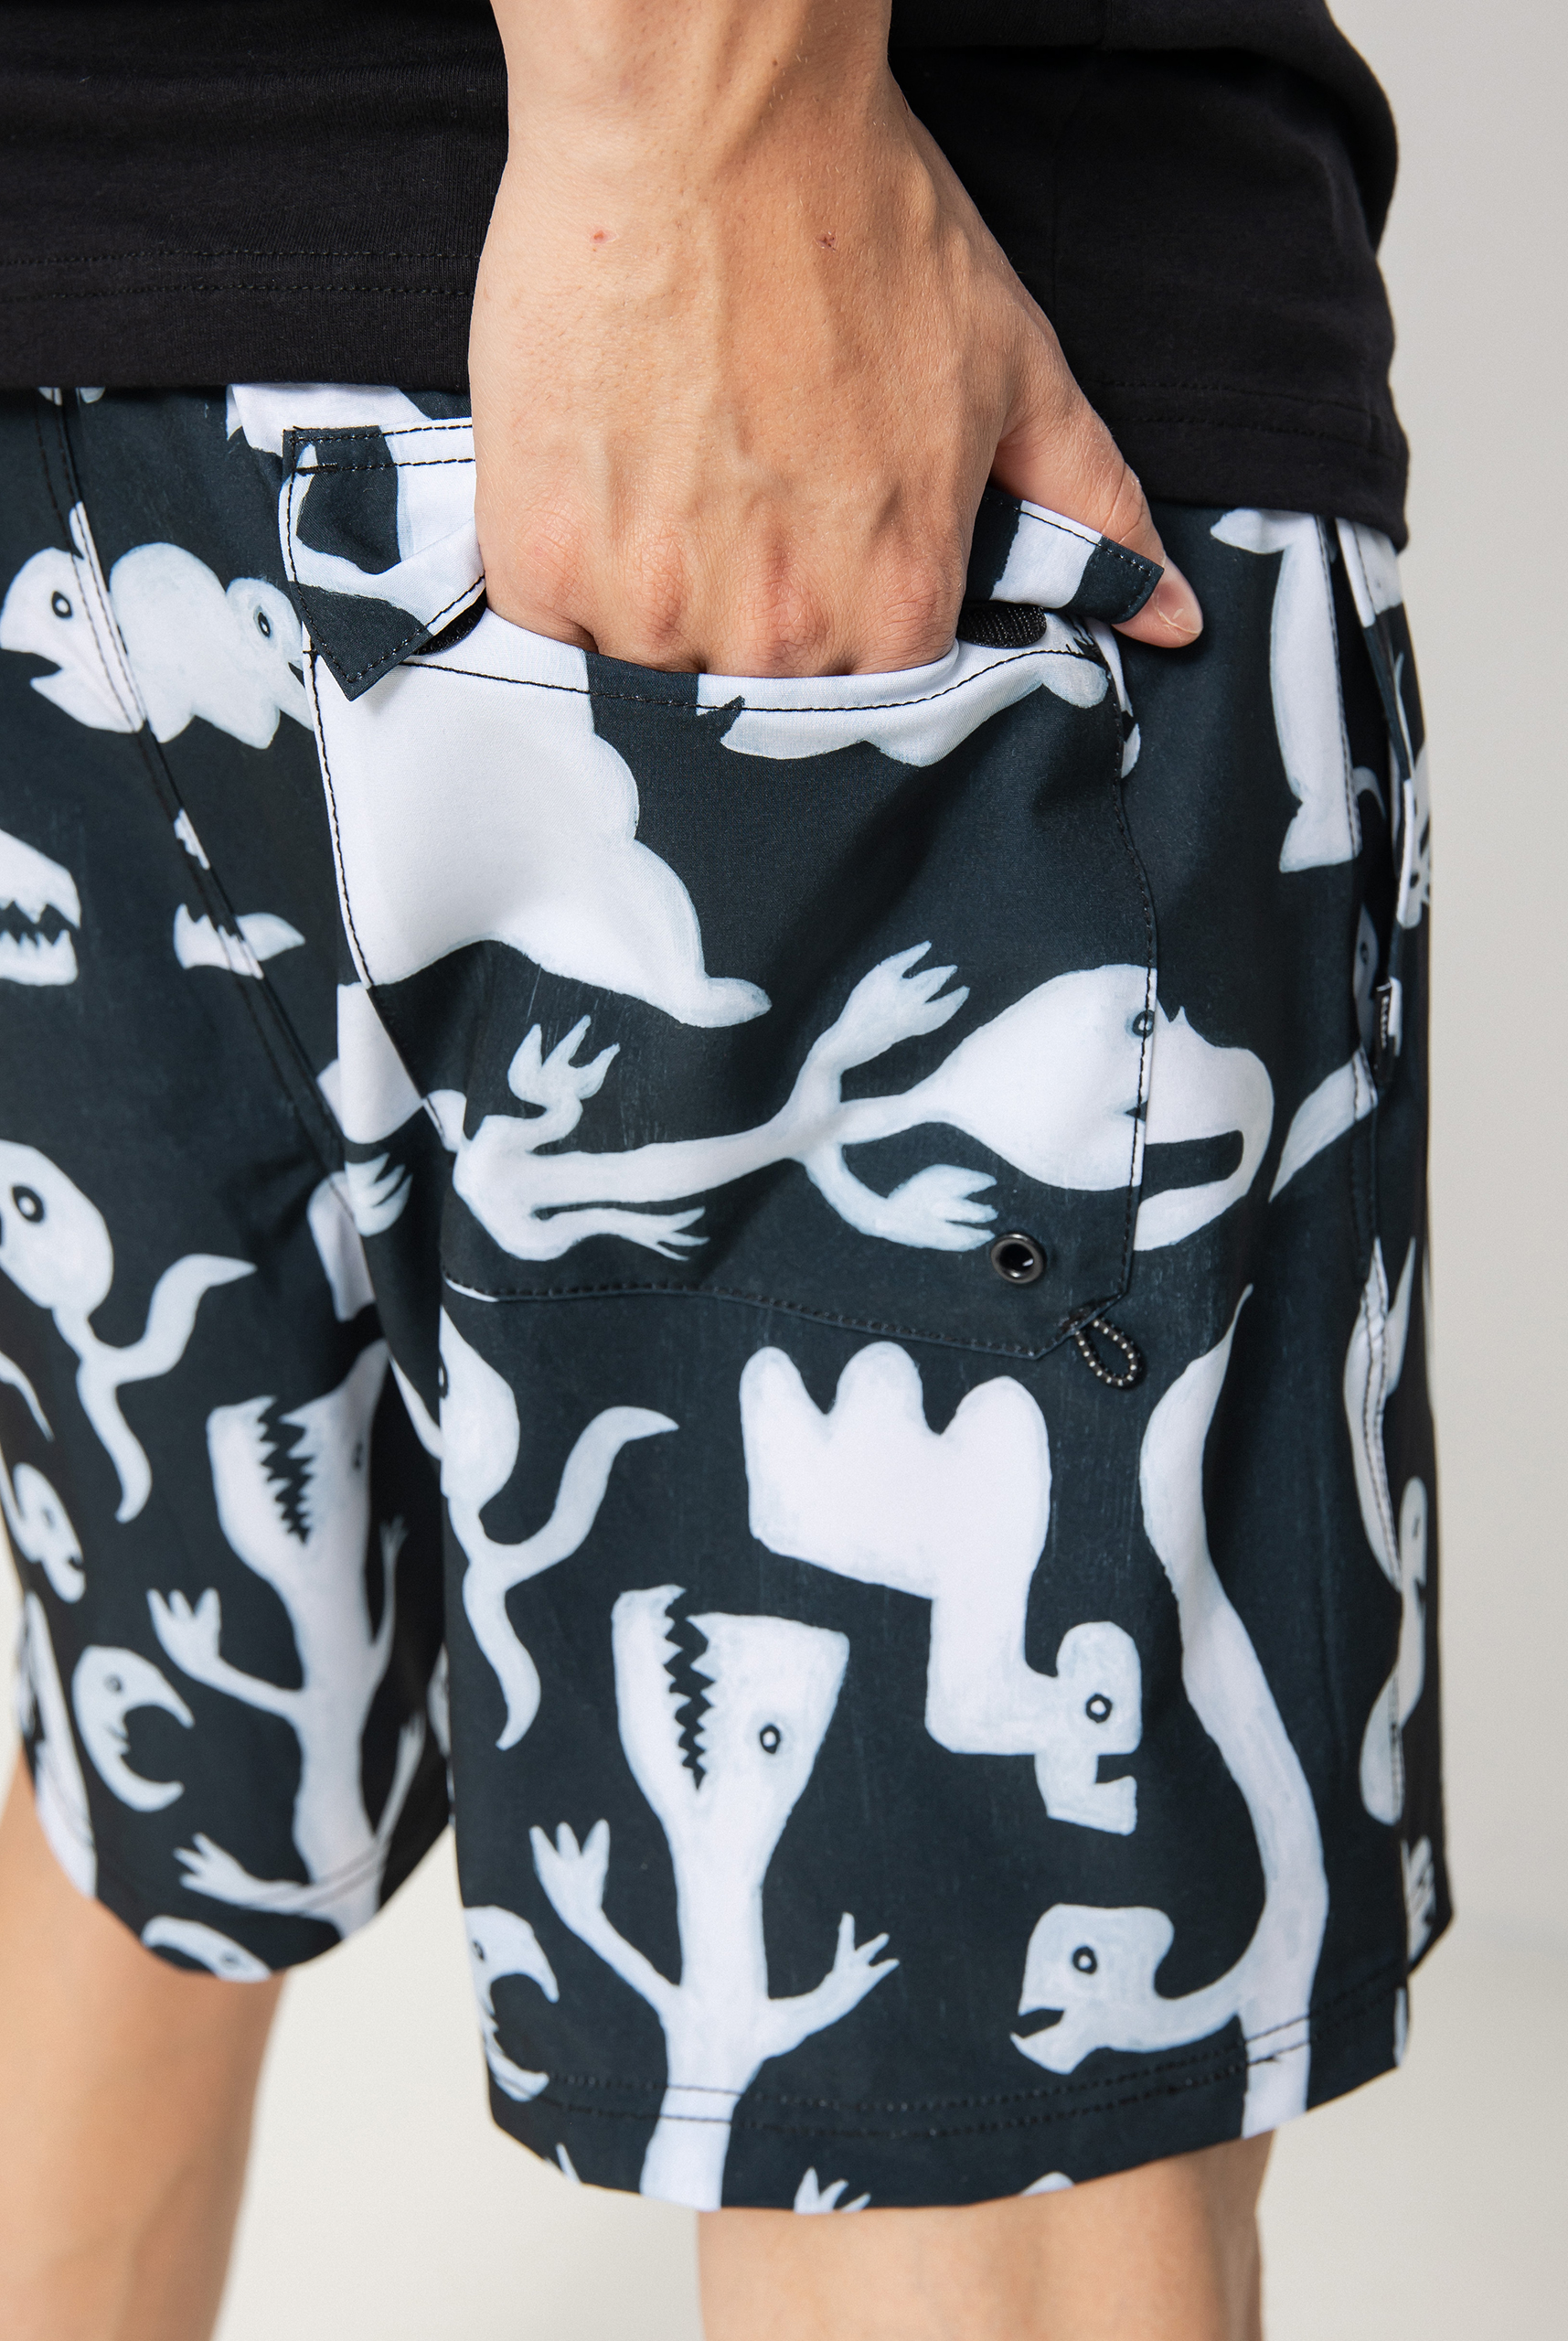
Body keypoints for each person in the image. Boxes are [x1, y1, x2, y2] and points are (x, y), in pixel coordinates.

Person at [0, 2, 1444, 2335]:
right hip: (772, 353)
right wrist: (701, 134)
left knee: (133, 1821)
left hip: (77, 392)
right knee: (980, 2165)